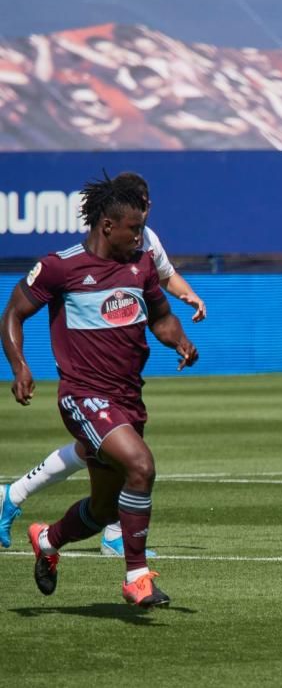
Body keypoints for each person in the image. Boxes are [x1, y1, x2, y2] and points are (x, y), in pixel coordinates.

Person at [0, 172, 198, 607]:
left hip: (128, 398)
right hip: (83, 396)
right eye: (134, 230)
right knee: (141, 466)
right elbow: (12, 312)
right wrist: (20, 366)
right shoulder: (60, 266)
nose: (140, 238)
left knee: (104, 510)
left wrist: (179, 340)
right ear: (107, 225)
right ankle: (136, 578)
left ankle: (48, 540)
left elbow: (161, 317)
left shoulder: (140, 265)